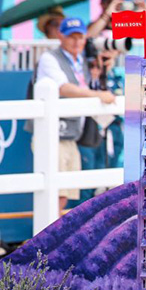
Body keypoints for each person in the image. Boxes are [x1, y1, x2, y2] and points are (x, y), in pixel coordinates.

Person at [30, 16, 116, 212]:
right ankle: (48, 237)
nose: (76, 41)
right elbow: (64, 88)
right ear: (61, 36)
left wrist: (99, 74)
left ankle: (54, 237)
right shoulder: (49, 57)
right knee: (57, 192)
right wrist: (98, 95)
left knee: (67, 192)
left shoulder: (83, 62)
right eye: (71, 37)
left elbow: (80, 87)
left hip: (72, 135)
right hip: (53, 135)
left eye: (80, 37)